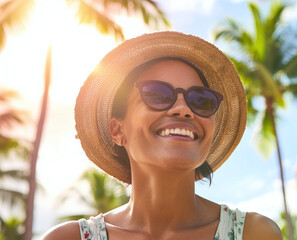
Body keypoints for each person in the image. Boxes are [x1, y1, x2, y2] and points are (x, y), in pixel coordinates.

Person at [42, 31, 282, 240]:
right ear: (117, 130)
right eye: (157, 94)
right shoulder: (67, 238)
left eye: (200, 100)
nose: (183, 109)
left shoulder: (255, 234)